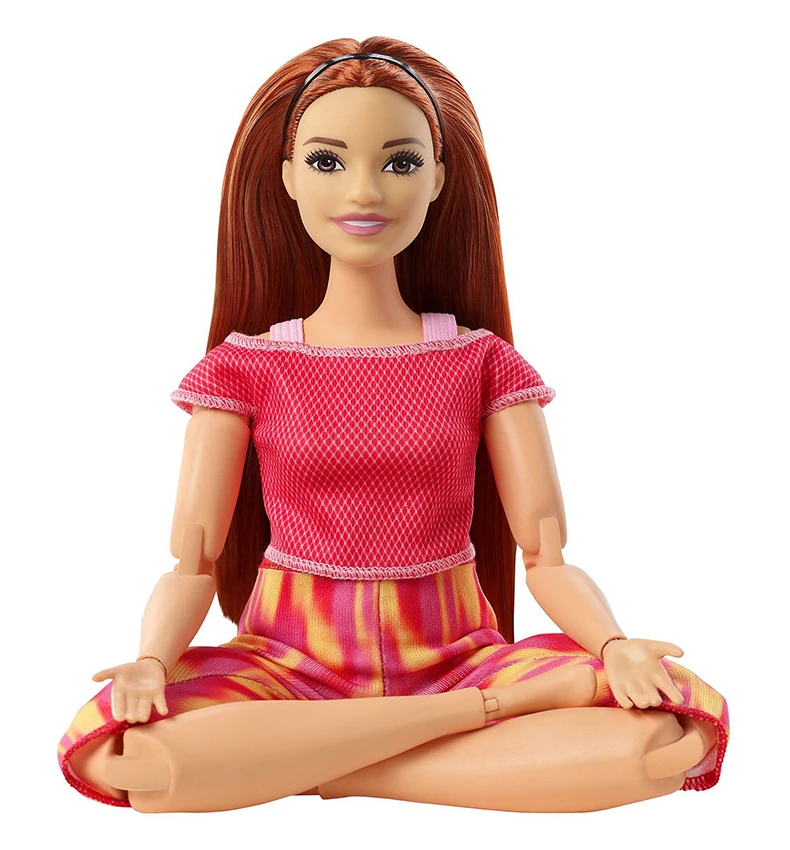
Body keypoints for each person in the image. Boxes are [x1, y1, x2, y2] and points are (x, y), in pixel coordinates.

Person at [57, 37, 729, 814]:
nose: (365, 191)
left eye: (400, 163)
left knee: (669, 737)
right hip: (288, 663)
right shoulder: (246, 368)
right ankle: (467, 730)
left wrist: (613, 645)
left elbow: (546, 557)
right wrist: (150, 661)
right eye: (328, 161)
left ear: (439, 178)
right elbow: (193, 560)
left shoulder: (481, 362)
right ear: (287, 177)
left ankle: (301, 764)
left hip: (455, 656)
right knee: (121, 755)